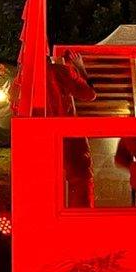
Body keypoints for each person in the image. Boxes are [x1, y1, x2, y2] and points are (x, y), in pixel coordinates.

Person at [49, 50, 98, 207]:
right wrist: (80, 68)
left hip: (40, 140)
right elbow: (89, 94)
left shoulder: (23, 77)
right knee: (81, 178)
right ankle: (81, 225)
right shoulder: (59, 71)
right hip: (68, 136)